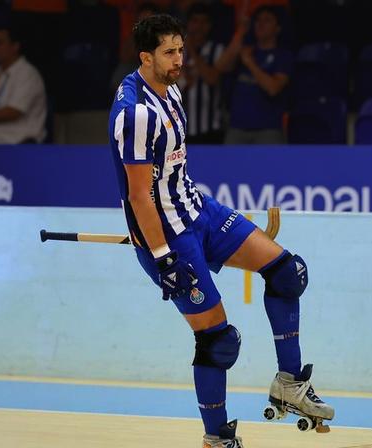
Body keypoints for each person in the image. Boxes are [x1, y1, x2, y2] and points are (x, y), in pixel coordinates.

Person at [107, 14, 333, 447]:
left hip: (200, 210)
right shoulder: (135, 113)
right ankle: (217, 438)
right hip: (168, 236)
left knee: (289, 273)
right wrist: (161, 256)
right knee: (218, 341)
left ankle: (289, 384)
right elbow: (139, 197)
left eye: (180, 49)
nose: (179, 59)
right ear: (145, 57)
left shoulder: (170, 89)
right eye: (169, 52)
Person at [217, 5, 293, 144]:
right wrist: (240, 32)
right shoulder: (245, 51)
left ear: (278, 28)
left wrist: (250, 63)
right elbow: (220, 67)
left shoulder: (283, 56)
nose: (260, 24)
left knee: (269, 166)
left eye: (267, 20)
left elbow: (273, 88)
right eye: (257, 20)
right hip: (237, 128)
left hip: (268, 130)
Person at [178, 3, 225, 144]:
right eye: (195, 21)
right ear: (188, 24)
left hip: (210, 129)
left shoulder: (217, 50)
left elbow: (211, 78)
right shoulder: (175, 52)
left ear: (210, 25)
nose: (199, 26)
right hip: (179, 129)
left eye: (204, 22)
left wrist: (191, 49)